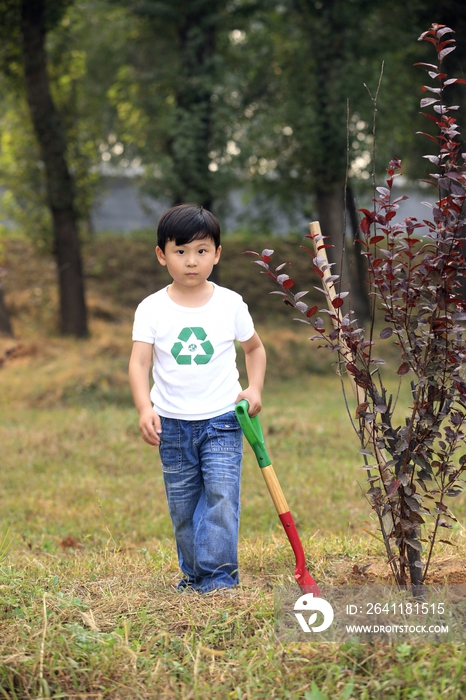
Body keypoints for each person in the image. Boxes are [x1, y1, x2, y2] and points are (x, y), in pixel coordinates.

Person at [128, 203, 266, 593]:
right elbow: (139, 363)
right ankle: (193, 575)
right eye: (181, 251)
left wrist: (253, 388)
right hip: (171, 426)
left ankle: (220, 578)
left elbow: (255, 349)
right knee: (184, 507)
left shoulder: (230, 304)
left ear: (217, 254)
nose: (192, 261)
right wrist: (144, 408)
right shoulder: (152, 308)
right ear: (161, 255)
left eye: (202, 251)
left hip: (223, 420)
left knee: (221, 498)